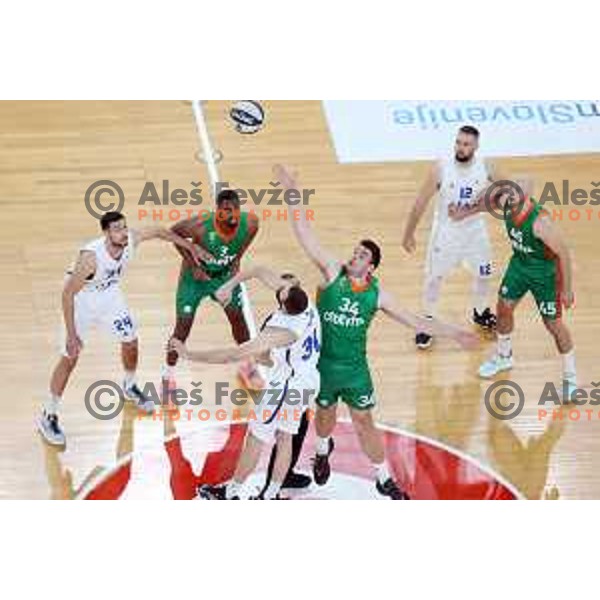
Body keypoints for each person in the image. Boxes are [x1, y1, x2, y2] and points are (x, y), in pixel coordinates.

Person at [276, 164, 479, 499]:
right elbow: (304, 232)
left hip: (356, 370)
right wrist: (291, 192)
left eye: (361, 255)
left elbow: (417, 321)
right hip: (323, 366)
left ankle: (384, 478)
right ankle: (323, 449)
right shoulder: (332, 273)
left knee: (364, 422)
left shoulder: (377, 294)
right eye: (355, 252)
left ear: (370, 266)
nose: (354, 256)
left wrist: (455, 333)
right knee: (324, 417)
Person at [38, 211, 204, 447]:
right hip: (81, 300)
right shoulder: (91, 258)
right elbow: (67, 294)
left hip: (108, 296)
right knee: (69, 358)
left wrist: (188, 246)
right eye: (117, 229)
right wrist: (72, 335)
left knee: (131, 340)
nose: (123, 232)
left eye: (124, 227)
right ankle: (48, 414)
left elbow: (158, 231)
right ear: (106, 233)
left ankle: (129, 385)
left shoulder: (130, 240)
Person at [172, 265, 320, 500]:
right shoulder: (306, 306)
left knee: (257, 436)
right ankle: (271, 496)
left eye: (282, 289)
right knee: (286, 437)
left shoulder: (282, 331)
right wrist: (228, 286)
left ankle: (231, 493)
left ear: (283, 303)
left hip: (287, 387)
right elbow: (261, 270)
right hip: (307, 379)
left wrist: (189, 354)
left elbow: (233, 354)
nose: (280, 285)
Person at [451, 186, 577, 398]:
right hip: (519, 265)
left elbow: (563, 253)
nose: (502, 206)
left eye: (507, 201)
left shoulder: (540, 223)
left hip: (544, 273)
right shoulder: (507, 204)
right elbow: (485, 204)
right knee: (503, 308)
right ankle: (504, 356)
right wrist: (463, 212)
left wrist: (567, 289)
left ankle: (571, 378)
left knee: (553, 324)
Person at [402, 125, 503, 349]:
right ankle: (427, 320)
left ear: (476, 146)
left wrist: (476, 208)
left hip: (475, 230)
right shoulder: (441, 168)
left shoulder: (487, 166)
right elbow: (421, 201)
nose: (461, 147)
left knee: (485, 274)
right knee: (434, 278)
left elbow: (507, 194)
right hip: (446, 233)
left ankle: (480, 312)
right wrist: (409, 233)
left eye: (466, 144)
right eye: (458, 142)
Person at [163, 189, 261, 393]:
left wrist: (237, 260)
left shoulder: (250, 223)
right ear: (218, 211)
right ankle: (167, 378)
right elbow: (173, 234)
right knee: (182, 330)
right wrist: (194, 265)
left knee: (238, 320)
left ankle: (248, 366)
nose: (232, 214)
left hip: (224, 277)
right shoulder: (200, 225)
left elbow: (246, 241)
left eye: (235, 208)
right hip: (195, 280)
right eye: (226, 210)